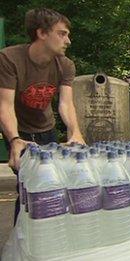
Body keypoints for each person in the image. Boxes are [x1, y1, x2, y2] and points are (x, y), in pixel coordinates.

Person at [0, 8, 85, 224]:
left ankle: (49, 239)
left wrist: (75, 132)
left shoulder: (65, 65)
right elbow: (5, 105)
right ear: (42, 33)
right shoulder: (9, 58)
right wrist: (14, 139)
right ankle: (21, 245)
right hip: (18, 131)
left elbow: (66, 103)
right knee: (27, 188)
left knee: (53, 185)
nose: (68, 41)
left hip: (46, 129)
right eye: (62, 33)